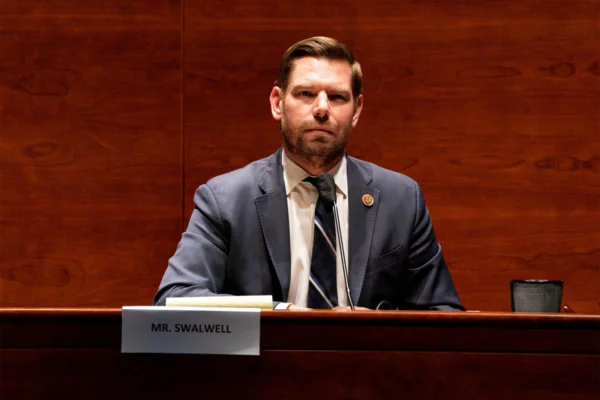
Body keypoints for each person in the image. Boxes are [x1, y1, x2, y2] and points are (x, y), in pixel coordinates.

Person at [154, 36, 463, 311]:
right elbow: (176, 298)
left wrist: (376, 330)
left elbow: (443, 313)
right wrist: (283, 315)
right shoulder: (226, 200)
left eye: (338, 97)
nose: (321, 108)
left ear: (356, 110)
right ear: (277, 103)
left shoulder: (401, 199)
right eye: (305, 93)